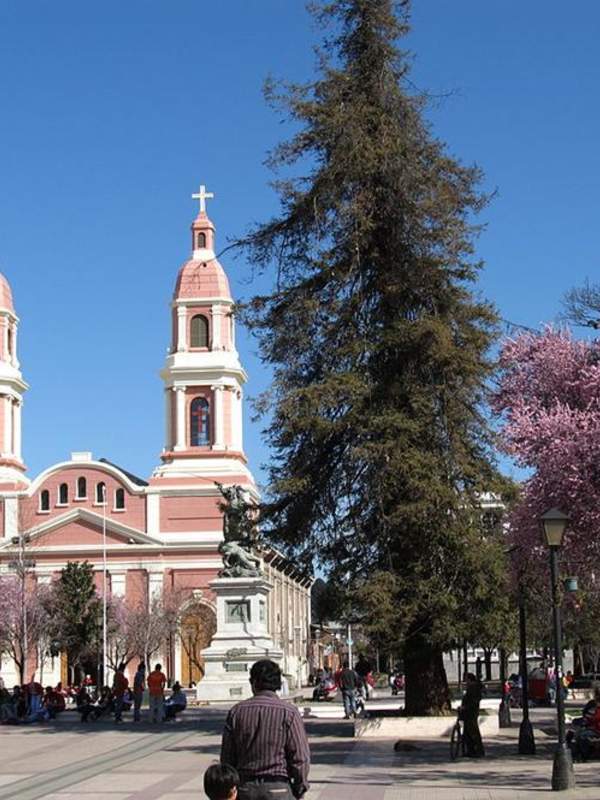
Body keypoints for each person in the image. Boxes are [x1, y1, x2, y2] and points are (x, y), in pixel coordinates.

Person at [221, 659, 310, 799]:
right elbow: (300, 757)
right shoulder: (289, 712)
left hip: (245, 788)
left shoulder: (236, 712)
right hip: (278, 788)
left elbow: (227, 756)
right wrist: (300, 787)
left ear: (254, 683)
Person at [461, 673, 485, 758]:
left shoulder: (473, 688)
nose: (465, 681)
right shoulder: (471, 688)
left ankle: (477, 750)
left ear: (470, 679)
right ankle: (471, 750)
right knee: (468, 732)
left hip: (471, 712)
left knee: (473, 732)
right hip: (468, 712)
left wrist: (466, 706)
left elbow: (473, 701)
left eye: (466, 679)